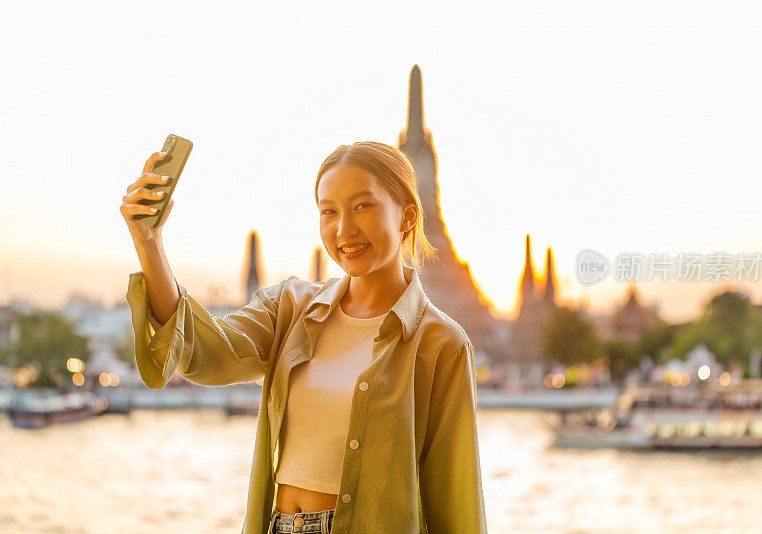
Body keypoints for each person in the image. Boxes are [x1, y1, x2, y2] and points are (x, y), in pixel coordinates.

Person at [120, 140, 488, 533]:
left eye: (363, 206)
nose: (344, 229)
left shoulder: (440, 344)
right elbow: (205, 352)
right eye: (329, 211)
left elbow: (456, 503)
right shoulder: (289, 309)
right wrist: (149, 242)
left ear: (407, 217)